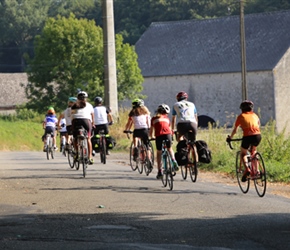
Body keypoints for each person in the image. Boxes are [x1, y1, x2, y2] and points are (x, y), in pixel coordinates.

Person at [227, 100, 262, 182]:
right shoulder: (255, 115)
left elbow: (235, 129)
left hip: (247, 136)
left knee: (243, 153)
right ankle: (257, 171)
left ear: (242, 109)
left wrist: (230, 138)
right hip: (257, 136)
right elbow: (258, 125)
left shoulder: (241, 116)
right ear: (251, 109)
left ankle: (247, 169)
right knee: (253, 151)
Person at [149, 104, 179, 179]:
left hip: (159, 136)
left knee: (159, 152)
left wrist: (151, 137)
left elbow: (151, 130)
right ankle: (173, 160)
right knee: (169, 148)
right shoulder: (167, 119)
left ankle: (160, 171)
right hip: (168, 135)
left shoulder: (153, 119)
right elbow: (169, 128)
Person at [124, 98, 151, 164]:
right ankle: (149, 159)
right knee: (147, 146)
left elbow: (129, 123)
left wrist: (127, 130)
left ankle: (135, 147)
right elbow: (148, 122)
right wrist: (149, 129)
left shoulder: (132, 113)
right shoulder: (146, 113)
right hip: (145, 129)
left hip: (137, 130)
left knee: (135, 137)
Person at [71, 91, 94, 165]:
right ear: (86, 98)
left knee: (75, 138)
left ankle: (77, 153)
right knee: (88, 138)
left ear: (77, 98)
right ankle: (90, 157)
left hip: (76, 121)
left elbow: (72, 116)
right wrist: (93, 123)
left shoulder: (74, 105)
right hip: (86, 121)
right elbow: (92, 115)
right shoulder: (89, 105)